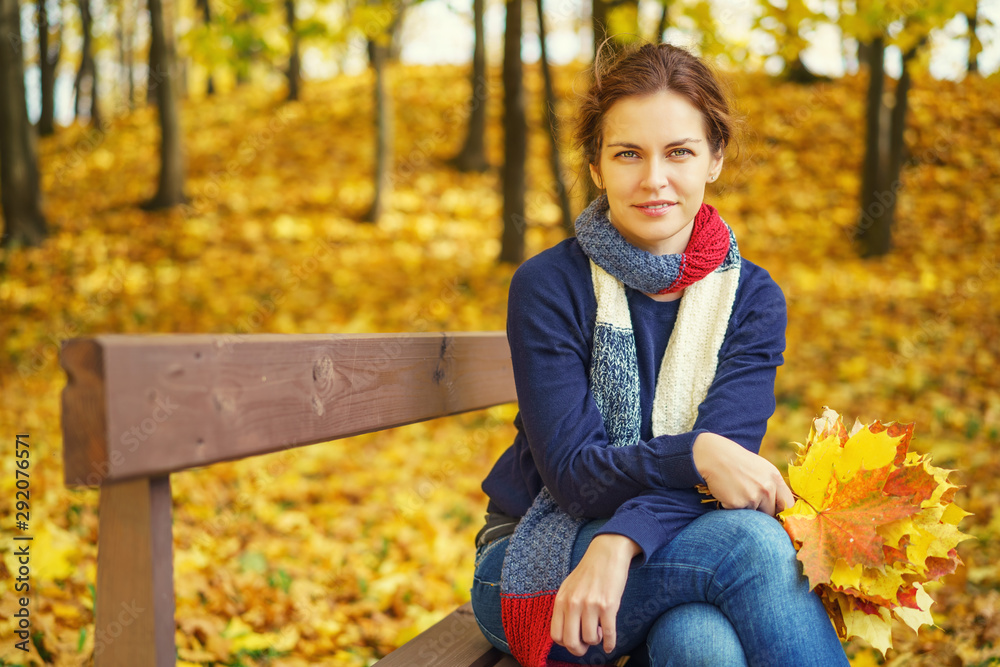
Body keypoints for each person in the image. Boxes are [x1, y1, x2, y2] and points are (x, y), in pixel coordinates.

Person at [470, 41, 850, 666]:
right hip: (534, 565)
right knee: (753, 546)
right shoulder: (548, 286)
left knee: (701, 644)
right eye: (627, 154)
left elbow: (723, 478)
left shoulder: (750, 299)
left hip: (666, 555)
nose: (653, 179)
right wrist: (696, 452)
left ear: (715, 159)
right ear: (596, 166)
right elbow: (574, 475)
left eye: (679, 152)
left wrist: (622, 539)